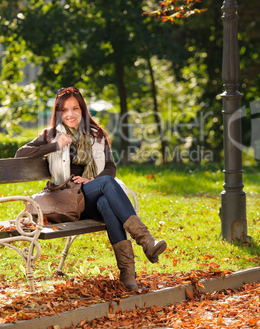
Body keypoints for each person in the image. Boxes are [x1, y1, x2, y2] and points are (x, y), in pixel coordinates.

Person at [15, 87, 167, 290]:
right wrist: (55, 145)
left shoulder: (96, 135)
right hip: (68, 199)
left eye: (75, 108)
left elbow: (111, 167)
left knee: (106, 201)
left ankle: (127, 273)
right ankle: (146, 242)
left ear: (82, 110)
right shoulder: (51, 134)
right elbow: (20, 154)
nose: (70, 114)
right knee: (106, 186)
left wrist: (90, 181)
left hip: (91, 197)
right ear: (58, 112)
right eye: (64, 110)